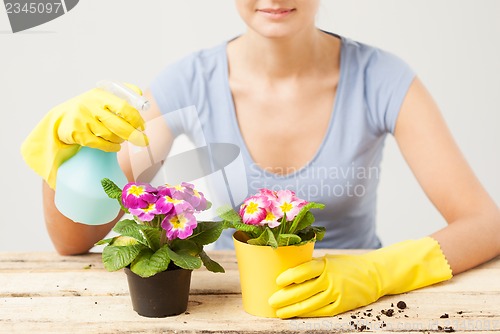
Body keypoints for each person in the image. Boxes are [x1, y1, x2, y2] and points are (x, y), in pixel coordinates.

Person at [21, 0, 499, 319]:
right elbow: (73, 239)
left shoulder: (383, 79)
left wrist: (379, 272)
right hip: (238, 311)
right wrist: (75, 153)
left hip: (356, 311)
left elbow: (485, 223)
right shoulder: (188, 83)